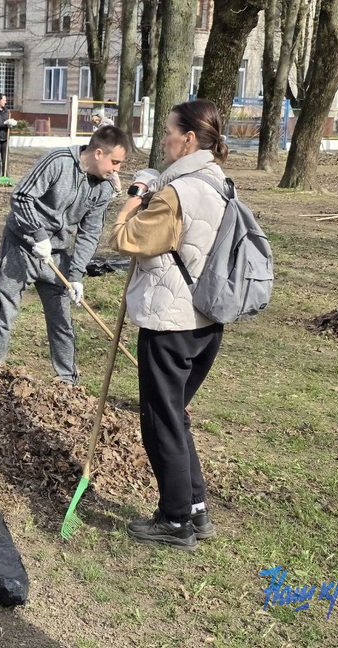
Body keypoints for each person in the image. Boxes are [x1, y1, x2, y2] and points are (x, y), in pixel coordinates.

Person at [110, 99, 230, 551]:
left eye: (168, 133)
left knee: (161, 422)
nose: (163, 140)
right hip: (206, 321)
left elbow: (126, 239)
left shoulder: (178, 193)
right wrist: (153, 183)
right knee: (175, 417)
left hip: (171, 322)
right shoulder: (217, 181)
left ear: (190, 139)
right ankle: (196, 509)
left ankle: (175, 520)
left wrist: (132, 202)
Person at [0, 126, 131, 384]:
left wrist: (76, 275)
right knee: (3, 314)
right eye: (115, 162)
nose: (117, 169)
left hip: (58, 258)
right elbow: (21, 196)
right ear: (98, 153)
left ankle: (67, 382)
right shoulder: (58, 161)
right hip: (21, 247)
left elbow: (90, 234)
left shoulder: (103, 189)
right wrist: (38, 235)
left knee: (62, 322)